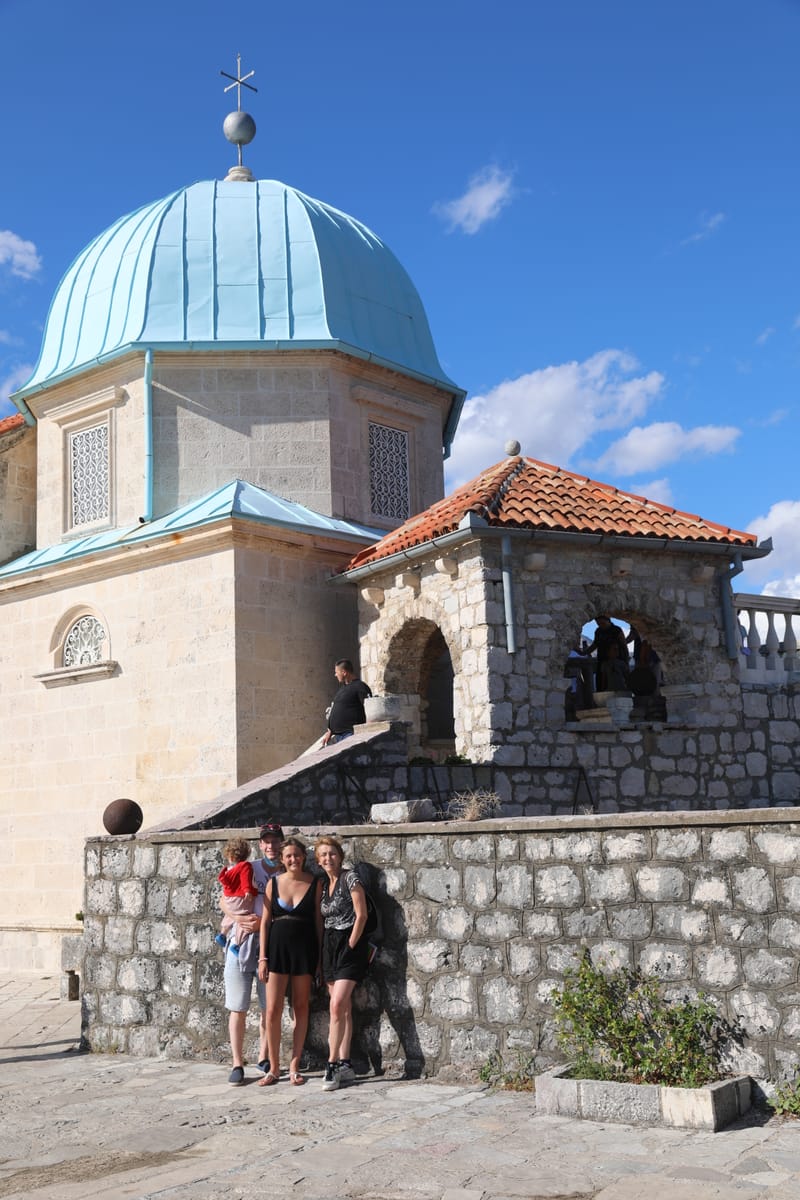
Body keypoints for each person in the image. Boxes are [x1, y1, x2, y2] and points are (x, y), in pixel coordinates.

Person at [256, 837, 323, 1086]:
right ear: (282, 860)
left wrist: (319, 959)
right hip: (276, 951)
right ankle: (273, 1067)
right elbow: (264, 922)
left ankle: (294, 1065)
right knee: (272, 1010)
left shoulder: (315, 883)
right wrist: (263, 957)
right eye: (288, 856)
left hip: (304, 950)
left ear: (303, 857)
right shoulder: (274, 883)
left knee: (301, 1006)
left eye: (296, 855)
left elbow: (318, 921)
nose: (293, 859)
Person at [223, 821, 285, 1086]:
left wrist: (264, 923)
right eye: (266, 841)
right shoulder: (249, 867)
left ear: (282, 842)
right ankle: (237, 1062)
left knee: (267, 1007)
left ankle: (264, 1055)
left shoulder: (288, 870)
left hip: (270, 947)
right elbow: (223, 899)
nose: (271, 845)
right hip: (240, 945)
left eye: (275, 840)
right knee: (238, 1007)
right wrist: (237, 916)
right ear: (260, 845)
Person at [315, 835, 370, 1091]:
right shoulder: (325, 884)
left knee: (336, 1005)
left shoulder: (351, 878)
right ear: (318, 860)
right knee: (343, 1008)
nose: (329, 858)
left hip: (349, 945)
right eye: (323, 855)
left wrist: (350, 945)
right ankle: (346, 1064)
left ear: (341, 855)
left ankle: (332, 1063)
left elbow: (362, 915)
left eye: (332, 853)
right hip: (330, 946)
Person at [216, 837, 258, 953]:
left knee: (232, 914)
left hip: (229, 899)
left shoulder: (229, 869)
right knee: (245, 918)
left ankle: (223, 933)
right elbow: (245, 878)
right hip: (241, 897)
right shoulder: (245, 866)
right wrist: (247, 891)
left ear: (229, 855)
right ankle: (237, 944)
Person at [321, 659, 372, 746]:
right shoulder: (343, 689)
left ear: (344, 672)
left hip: (349, 734)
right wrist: (330, 731)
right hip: (338, 736)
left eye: (337, 672)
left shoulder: (360, 687)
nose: (335, 675)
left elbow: (369, 707)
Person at [586, 615, 628, 691]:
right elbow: (595, 644)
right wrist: (585, 652)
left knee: (616, 682)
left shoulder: (616, 630)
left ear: (608, 621)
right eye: (598, 624)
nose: (601, 626)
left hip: (616, 660)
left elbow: (624, 645)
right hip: (602, 660)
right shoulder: (598, 631)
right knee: (601, 682)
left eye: (602, 623)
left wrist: (625, 660)